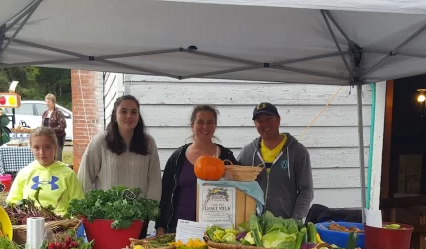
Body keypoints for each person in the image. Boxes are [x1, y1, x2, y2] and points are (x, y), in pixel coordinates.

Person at [77, 95, 161, 238]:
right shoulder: (100, 142)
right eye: (123, 111)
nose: (129, 116)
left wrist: (147, 211)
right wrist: (96, 209)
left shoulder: (149, 143)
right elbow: (84, 178)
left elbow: (154, 179)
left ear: (138, 116)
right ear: (115, 116)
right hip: (106, 219)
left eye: (133, 112)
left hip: (138, 219)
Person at [156, 105, 237, 235]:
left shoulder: (226, 158)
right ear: (192, 125)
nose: (205, 127)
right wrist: (160, 227)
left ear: (215, 125)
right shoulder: (178, 157)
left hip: (216, 233)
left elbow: (239, 192)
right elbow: (165, 195)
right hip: (179, 231)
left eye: (210, 122)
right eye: (200, 122)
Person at [237, 102, 313, 222]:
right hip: (253, 224)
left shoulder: (298, 152)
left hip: (285, 224)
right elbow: (234, 183)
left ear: (278, 119)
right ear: (255, 124)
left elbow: (306, 191)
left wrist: (294, 220)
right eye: (259, 121)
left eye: (268, 119)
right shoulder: (247, 152)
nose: (264, 124)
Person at [7, 127, 83, 215]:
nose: (42, 152)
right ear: (31, 148)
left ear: (55, 147)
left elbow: (78, 204)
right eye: (36, 147)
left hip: (61, 222)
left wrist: (68, 220)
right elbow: (12, 202)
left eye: (47, 147)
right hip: (30, 220)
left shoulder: (68, 174)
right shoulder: (24, 173)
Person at [41, 93, 67, 161]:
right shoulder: (45, 113)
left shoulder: (58, 113)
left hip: (58, 138)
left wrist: (51, 130)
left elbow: (63, 126)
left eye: (49, 102)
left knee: (57, 157)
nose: (47, 103)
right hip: (47, 138)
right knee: (50, 156)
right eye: (46, 101)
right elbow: (43, 125)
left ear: (53, 102)